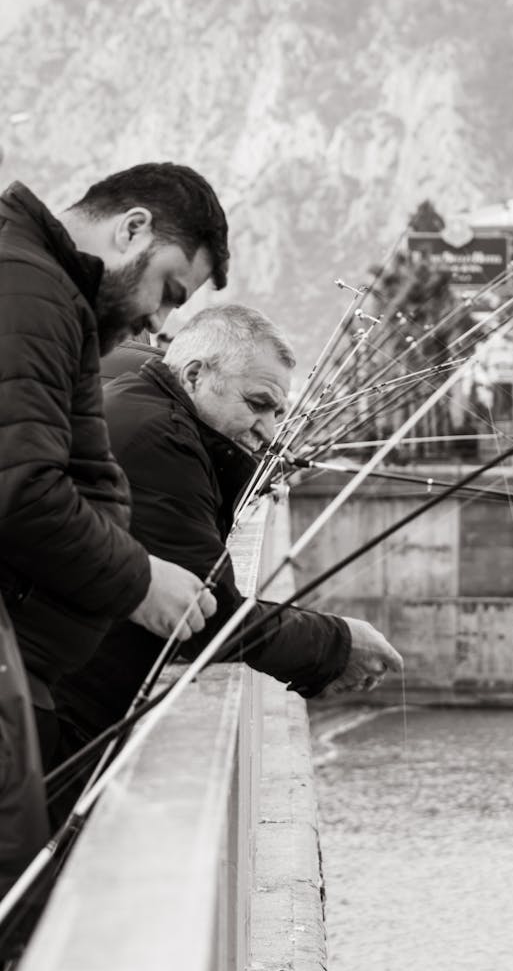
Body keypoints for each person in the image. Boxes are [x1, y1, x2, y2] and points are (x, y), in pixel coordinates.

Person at [52, 305, 403, 791]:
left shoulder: (139, 396)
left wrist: (234, 468)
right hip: (61, 717)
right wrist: (337, 644)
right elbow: (208, 615)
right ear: (194, 375)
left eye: (278, 412)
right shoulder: (159, 440)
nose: (269, 429)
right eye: (256, 403)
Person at [0, 164, 229, 904]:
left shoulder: (40, 287)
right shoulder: (30, 288)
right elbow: (22, 490)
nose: (162, 322)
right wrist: (141, 583)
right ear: (131, 228)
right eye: (168, 288)